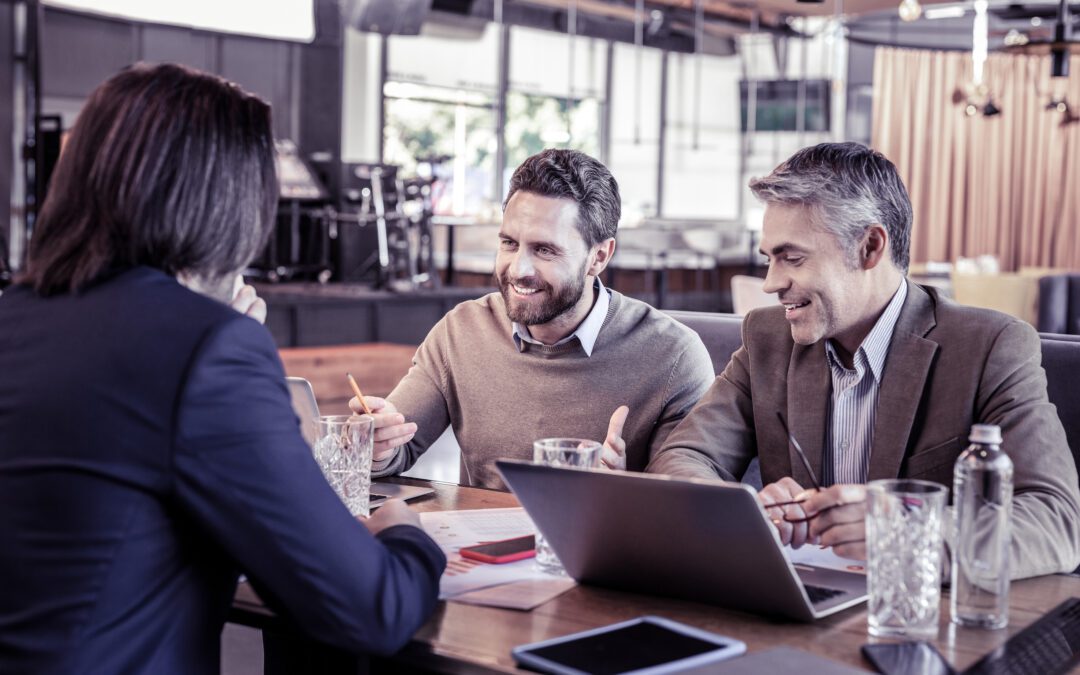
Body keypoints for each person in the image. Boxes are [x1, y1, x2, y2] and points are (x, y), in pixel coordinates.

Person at [0, 63, 445, 672]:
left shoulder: (18, 314)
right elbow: (369, 609)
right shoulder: (207, 349)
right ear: (228, 203)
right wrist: (406, 533)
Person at [648, 142, 1080, 578]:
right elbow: (684, 455)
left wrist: (904, 531)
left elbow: (1057, 520)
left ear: (869, 248)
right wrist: (744, 514)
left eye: (792, 257)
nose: (771, 283)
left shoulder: (990, 347)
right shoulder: (768, 339)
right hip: (797, 608)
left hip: (923, 619)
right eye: (769, 259)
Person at [352, 149, 714, 489]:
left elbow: (686, 503)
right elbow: (396, 451)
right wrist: (378, 445)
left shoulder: (674, 356)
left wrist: (625, 493)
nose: (518, 270)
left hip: (603, 551)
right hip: (482, 547)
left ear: (599, 256)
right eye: (509, 243)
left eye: (544, 250)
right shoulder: (460, 332)